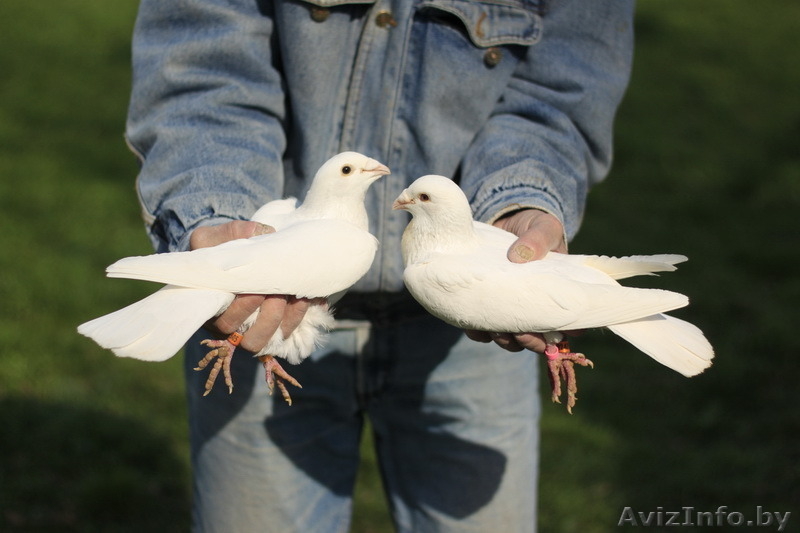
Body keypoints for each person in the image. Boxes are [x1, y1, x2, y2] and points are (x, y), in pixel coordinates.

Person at [126, 0, 634, 531]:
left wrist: (520, 199)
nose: (375, 172)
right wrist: (214, 219)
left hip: (465, 326)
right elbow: (204, 67)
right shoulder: (308, 225)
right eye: (354, 171)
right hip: (271, 316)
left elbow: (565, 85)